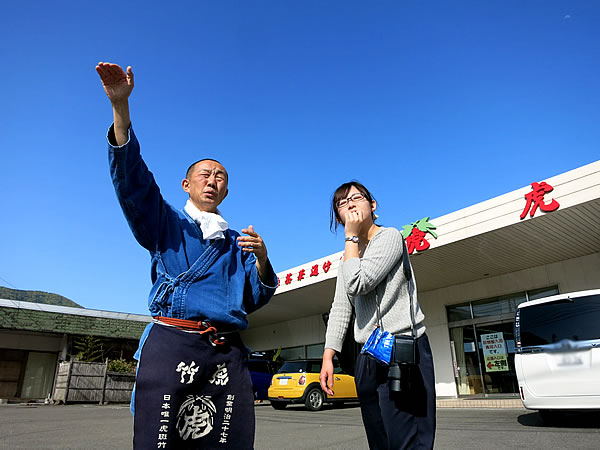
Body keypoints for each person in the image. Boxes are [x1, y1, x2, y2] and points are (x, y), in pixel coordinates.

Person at [96, 62, 278, 449]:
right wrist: (121, 111)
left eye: (221, 177)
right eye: (205, 175)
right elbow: (135, 183)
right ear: (186, 184)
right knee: (160, 440)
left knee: (227, 441)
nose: (213, 181)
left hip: (224, 353)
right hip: (173, 342)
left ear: (226, 190)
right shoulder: (167, 222)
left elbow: (253, 298)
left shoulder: (236, 241)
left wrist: (262, 259)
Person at [319, 181, 436, 450]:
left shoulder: (390, 237)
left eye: (356, 198)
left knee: (407, 439)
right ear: (338, 216)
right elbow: (341, 306)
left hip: (403, 349)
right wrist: (328, 355)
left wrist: (350, 237)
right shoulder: (347, 258)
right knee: (379, 438)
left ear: (372, 206)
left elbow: (360, 282)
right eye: (341, 203)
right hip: (369, 355)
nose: (349, 204)